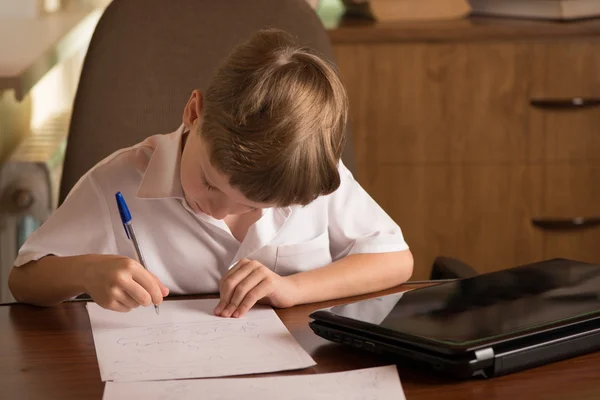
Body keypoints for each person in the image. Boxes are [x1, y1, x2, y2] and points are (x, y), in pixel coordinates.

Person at [9, 28, 413, 318]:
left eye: (256, 208)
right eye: (209, 183)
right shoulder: (116, 183)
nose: (220, 211)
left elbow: (395, 260)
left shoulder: (302, 177)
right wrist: (85, 270)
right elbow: (23, 281)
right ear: (193, 112)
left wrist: (293, 288)